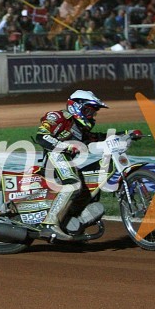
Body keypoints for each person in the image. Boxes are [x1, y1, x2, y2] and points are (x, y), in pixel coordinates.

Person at [34, 90, 109, 240]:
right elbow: (41, 136)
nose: (92, 116)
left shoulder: (80, 128)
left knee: (91, 187)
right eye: (89, 111)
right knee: (74, 184)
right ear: (77, 106)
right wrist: (65, 147)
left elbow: (96, 138)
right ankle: (49, 225)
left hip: (67, 161)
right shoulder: (58, 117)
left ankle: (71, 225)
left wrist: (125, 134)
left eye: (93, 113)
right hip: (53, 158)